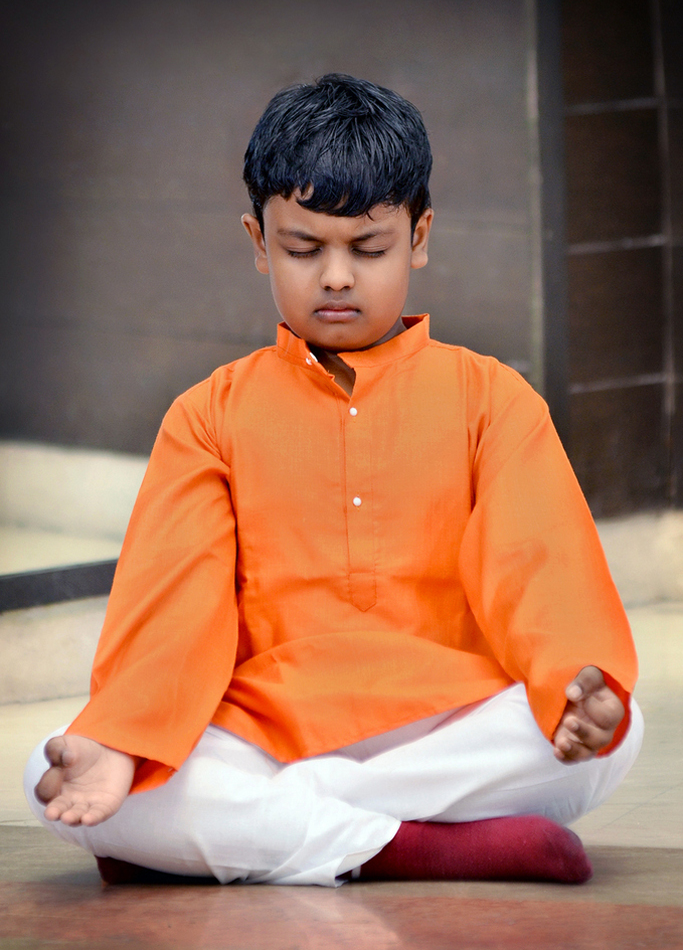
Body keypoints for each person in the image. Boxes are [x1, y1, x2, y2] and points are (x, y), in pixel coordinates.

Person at [25, 74, 642, 887]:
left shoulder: (490, 399)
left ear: (419, 235)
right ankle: (418, 848)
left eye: (369, 248)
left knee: (615, 740)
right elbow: (173, 607)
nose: (337, 277)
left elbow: (543, 572)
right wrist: (123, 738)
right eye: (303, 248)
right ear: (256, 241)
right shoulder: (208, 414)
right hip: (264, 728)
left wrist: (576, 691)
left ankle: (269, 832)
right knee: (50, 772)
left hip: (445, 726)